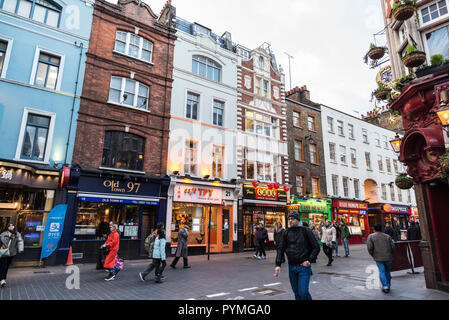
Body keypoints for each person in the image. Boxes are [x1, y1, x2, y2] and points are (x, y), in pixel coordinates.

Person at [274, 212, 320, 300]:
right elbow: (280, 249)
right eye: (289, 219)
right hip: (291, 267)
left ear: (298, 220)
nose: (290, 221)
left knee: (303, 292)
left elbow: (316, 247)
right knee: (296, 293)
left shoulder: (306, 231)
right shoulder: (286, 232)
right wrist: (278, 264)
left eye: (292, 219)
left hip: (304, 267)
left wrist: (309, 260)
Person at [367, 224, 395, 293]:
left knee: (382, 271)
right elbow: (393, 247)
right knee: (387, 271)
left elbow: (369, 248)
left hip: (378, 257)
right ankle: (388, 284)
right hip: (388, 257)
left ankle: (385, 286)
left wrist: (373, 255)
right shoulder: (387, 236)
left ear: (374, 229)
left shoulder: (371, 236)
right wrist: (390, 253)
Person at [0, 223, 24, 288]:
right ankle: (2, 280)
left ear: (14, 227)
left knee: (6, 266)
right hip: (4, 253)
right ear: (7, 227)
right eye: (9, 225)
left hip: (12, 253)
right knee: (3, 266)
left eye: (12, 225)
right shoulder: (3, 233)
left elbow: (20, 242)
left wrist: (20, 249)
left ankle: (3, 279)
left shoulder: (17, 234)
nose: (11, 226)